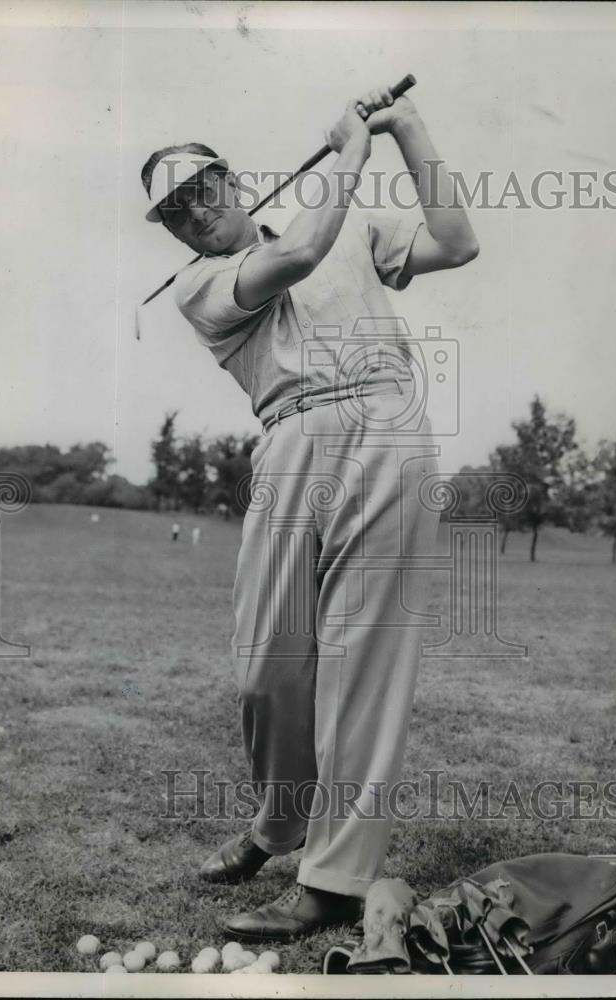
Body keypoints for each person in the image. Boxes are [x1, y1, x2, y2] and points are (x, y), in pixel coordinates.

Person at [142, 84, 478, 942]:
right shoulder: (200, 284)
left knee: (364, 661)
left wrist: (401, 128)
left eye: (202, 189)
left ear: (230, 180)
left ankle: (331, 878)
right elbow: (295, 255)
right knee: (266, 666)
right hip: (290, 436)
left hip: (388, 427)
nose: (196, 212)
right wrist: (348, 156)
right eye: (175, 210)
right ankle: (277, 823)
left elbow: (456, 240)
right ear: (172, 232)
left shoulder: (343, 230)